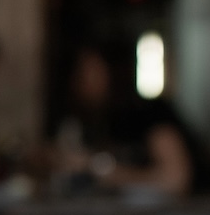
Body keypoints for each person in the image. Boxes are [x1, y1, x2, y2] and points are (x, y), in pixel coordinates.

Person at [54, 43, 193, 196]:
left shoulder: (149, 112)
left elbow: (175, 179)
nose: (82, 83)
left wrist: (97, 169)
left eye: (89, 73)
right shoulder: (89, 121)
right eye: (78, 75)